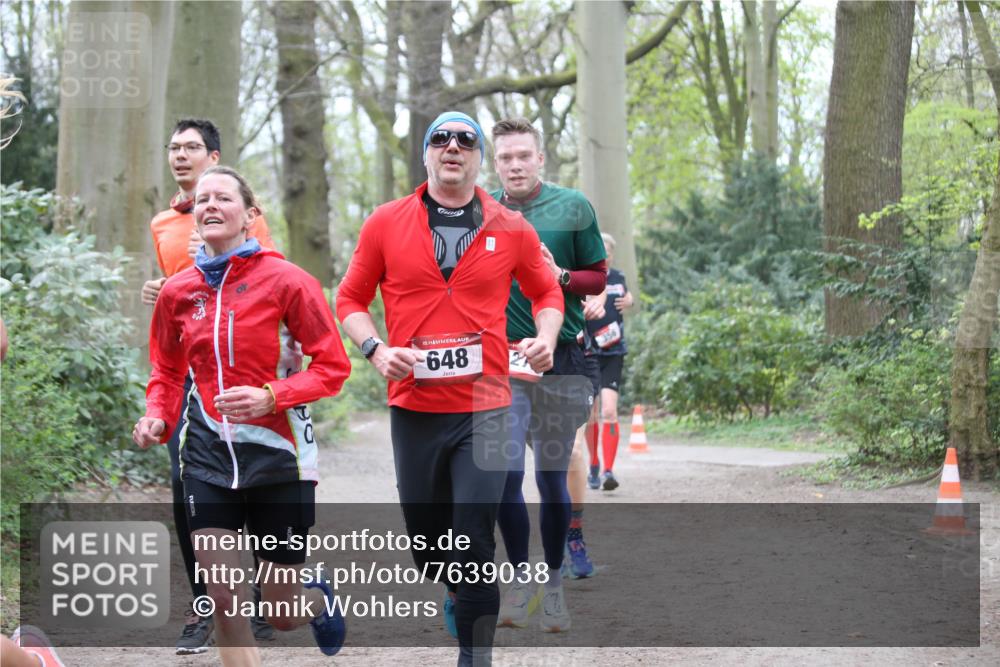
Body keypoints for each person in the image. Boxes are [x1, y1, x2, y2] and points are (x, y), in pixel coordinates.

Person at [336, 110, 564, 667]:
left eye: (466, 140)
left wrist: (547, 336)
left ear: (478, 157)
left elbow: (548, 294)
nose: (453, 147)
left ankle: (474, 656)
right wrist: (377, 350)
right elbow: (349, 301)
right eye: (442, 139)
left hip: (486, 401)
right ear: (427, 154)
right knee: (430, 547)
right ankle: (455, 589)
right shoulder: (386, 222)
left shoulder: (509, 227)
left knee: (473, 540)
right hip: (414, 406)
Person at [134, 166, 351, 666]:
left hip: (280, 459)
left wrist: (272, 396)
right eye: (201, 200)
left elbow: (334, 367)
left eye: (222, 198)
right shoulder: (177, 292)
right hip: (207, 455)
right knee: (226, 599)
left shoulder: (289, 282)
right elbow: (166, 372)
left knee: (279, 613)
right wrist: (156, 417)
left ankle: (315, 599)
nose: (208, 205)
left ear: (250, 215)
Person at [140, 118, 277, 654]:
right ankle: (207, 610)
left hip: (250, 376)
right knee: (189, 494)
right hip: (192, 383)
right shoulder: (161, 224)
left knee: (258, 488)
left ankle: (269, 599)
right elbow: (177, 298)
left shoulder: (247, 213)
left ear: (213, 156)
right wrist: (162, 288)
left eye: (191, 147)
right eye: (173, 147)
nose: (179, 156)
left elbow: (276, 274)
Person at [490, 117, 607, 633]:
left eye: (523, 155)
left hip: (560, 359)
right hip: (500, 363)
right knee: (505, 474)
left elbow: (596, 278)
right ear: (495, 164)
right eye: (505, 158)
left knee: (550, 478)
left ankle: (554, 584)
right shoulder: (479, 211)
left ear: (540, 158)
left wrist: (558, 275)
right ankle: (520, 585)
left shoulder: (573, 206)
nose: (514, 165)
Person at [584, 233, 634, 490]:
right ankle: (593, 463)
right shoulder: (585, 277)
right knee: (591, 414)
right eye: (598, 251)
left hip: (614, 351)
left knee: (610, 411)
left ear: (612, 255)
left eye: (607, 252)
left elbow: (627, 298)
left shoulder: (618, 277)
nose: (603, 256)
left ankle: (608, 471)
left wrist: (630, 300)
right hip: (589, 353)